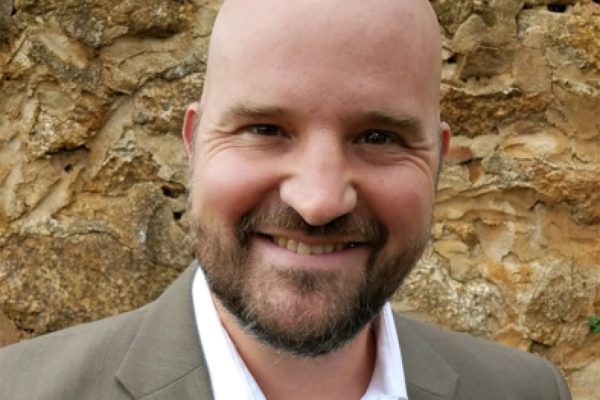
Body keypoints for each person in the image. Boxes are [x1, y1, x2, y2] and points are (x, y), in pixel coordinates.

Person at [0, 0, 571, 399]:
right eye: (265, 129)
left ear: (439, 160)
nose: (319, 201)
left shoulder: (525, 391)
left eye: (378, 138)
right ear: (194, 143)